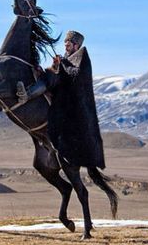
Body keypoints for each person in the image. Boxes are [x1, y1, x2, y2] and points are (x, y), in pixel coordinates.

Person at [17, 30, 105, 169]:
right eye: (65, 43)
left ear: (76, 45)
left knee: (49, 80)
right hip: (60, 88)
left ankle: (27, 95)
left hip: (71, 98)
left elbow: (77, 75)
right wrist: (54, 66)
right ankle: (27, 94)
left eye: (68, 44)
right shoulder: (67, 57)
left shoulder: (83, 59)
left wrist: (62, 64)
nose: (66, 46)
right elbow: (60, 71)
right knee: (45, 75)